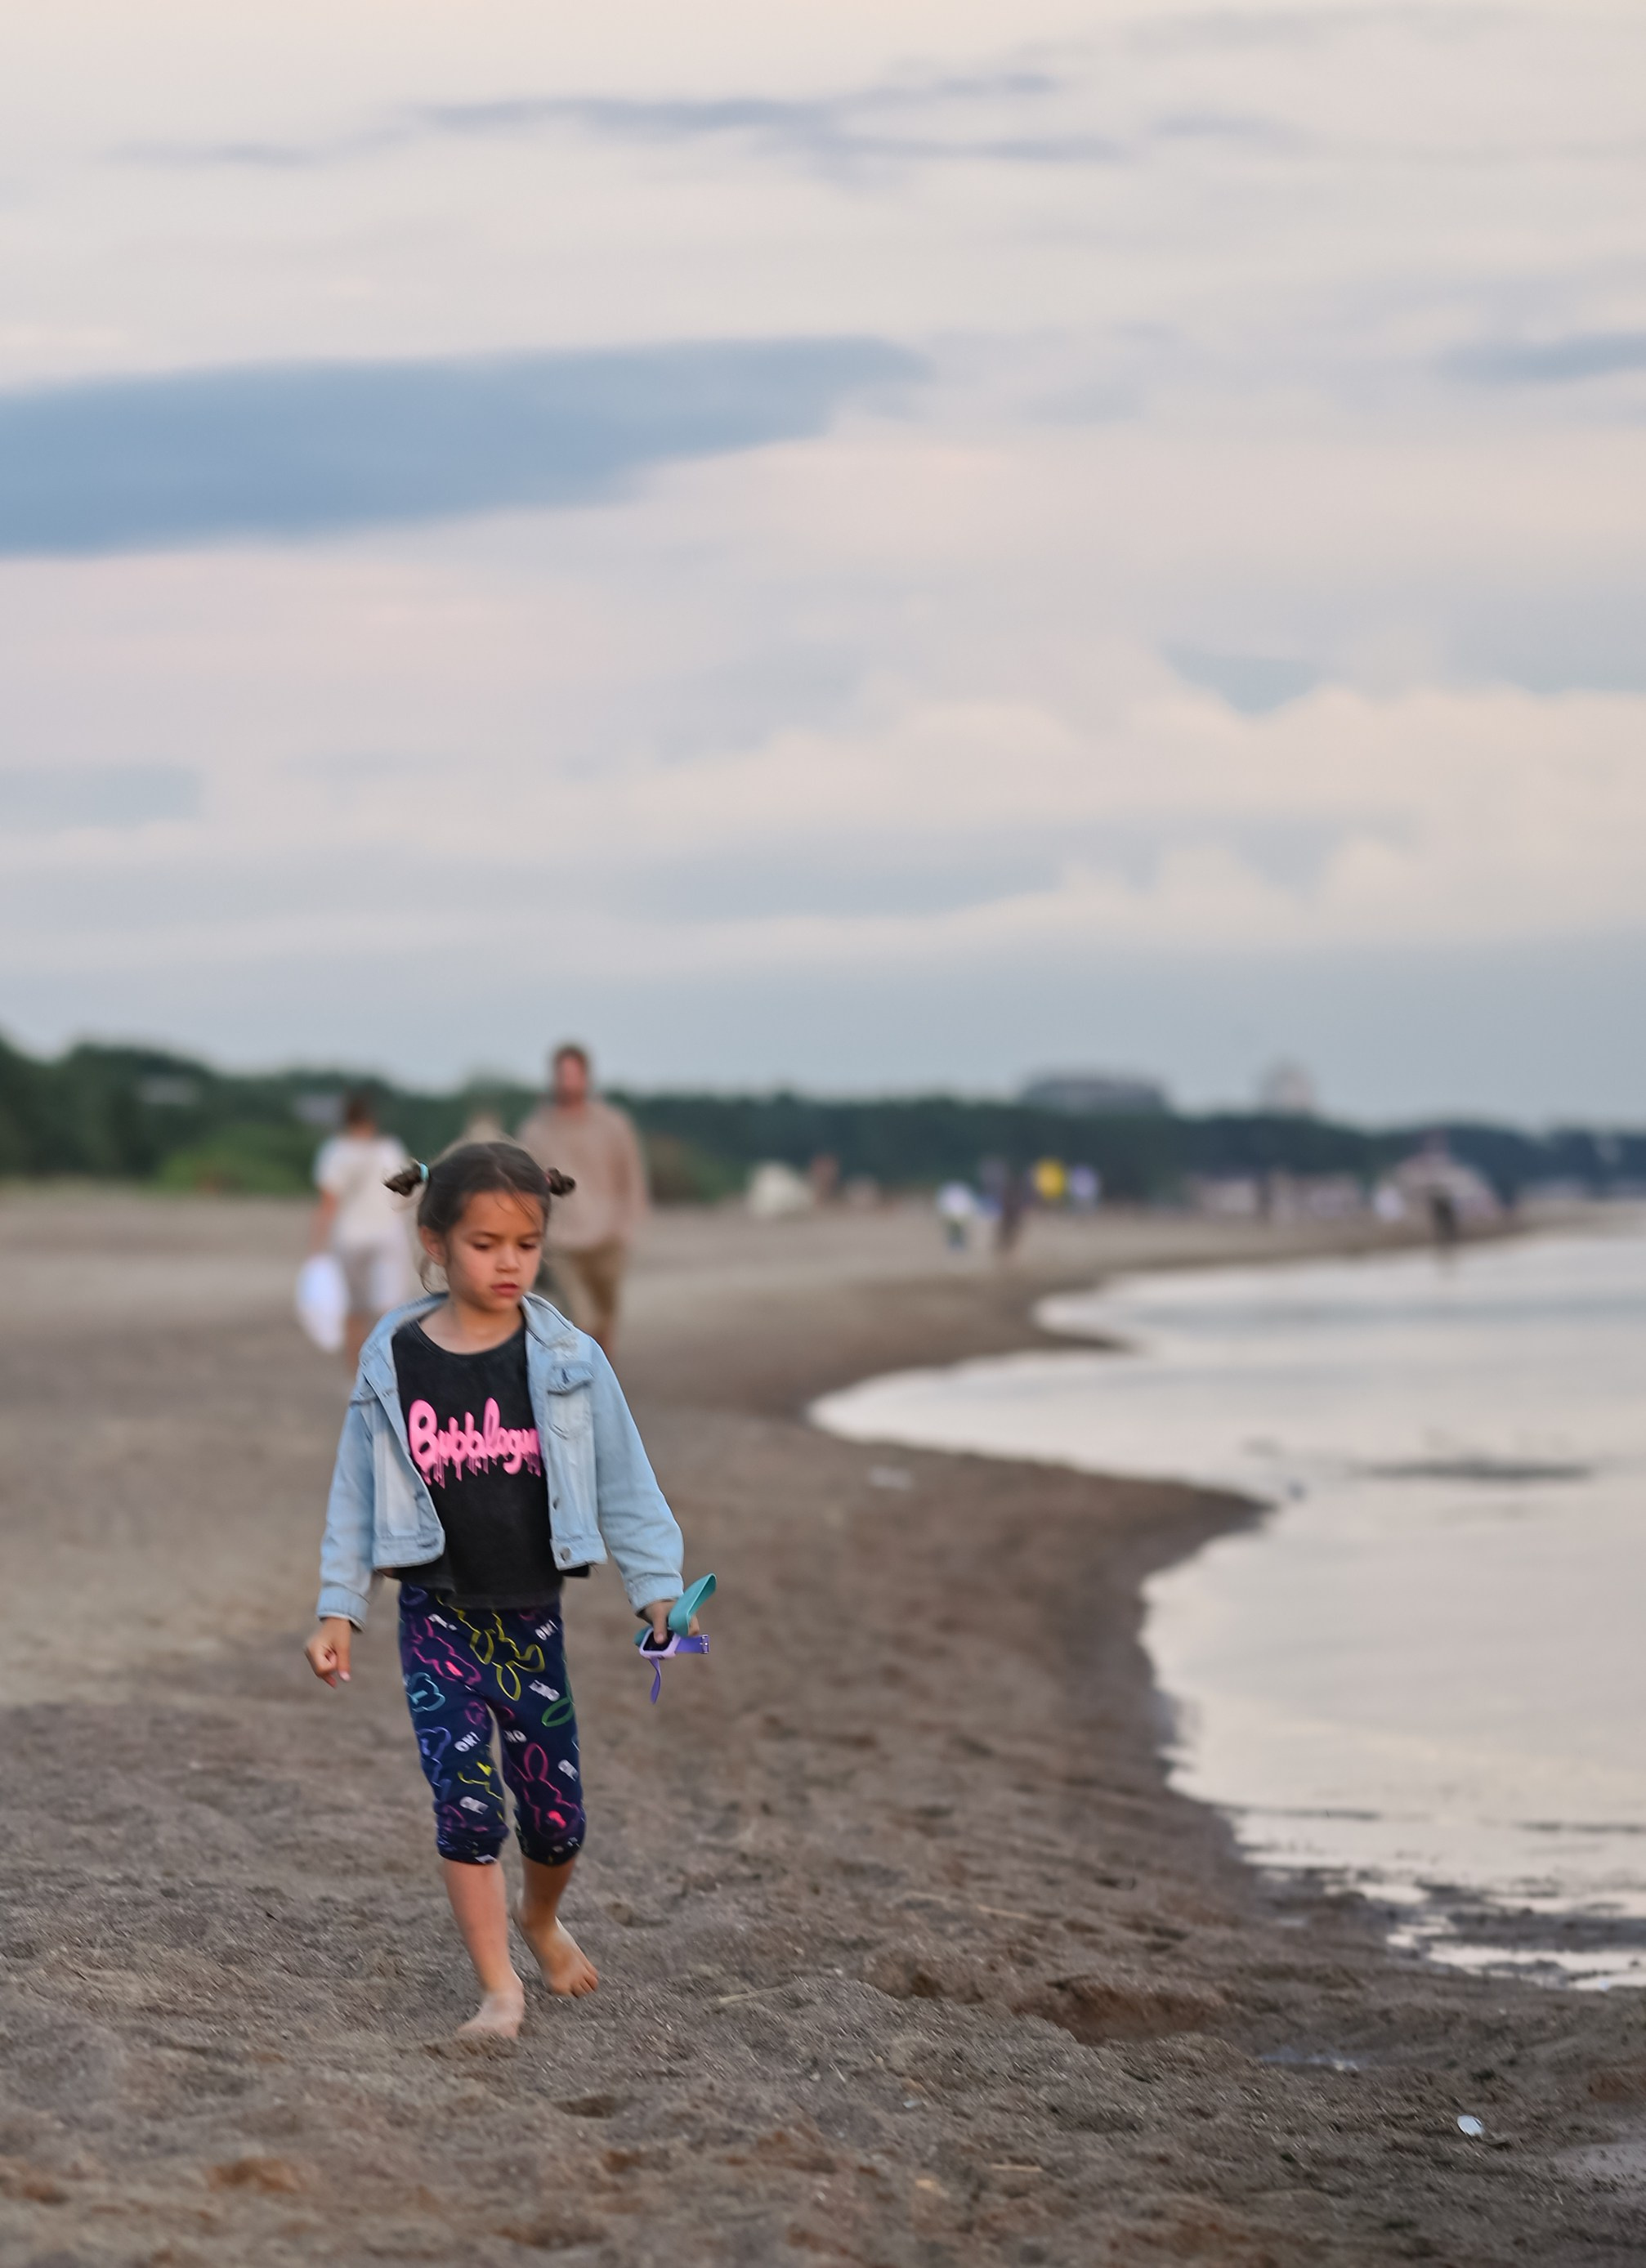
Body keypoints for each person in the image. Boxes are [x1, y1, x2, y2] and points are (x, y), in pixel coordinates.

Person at [304, 1141, 693, 2042]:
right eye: (485, 1243)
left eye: (526, 1243)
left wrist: (658, 1591)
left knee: (556, 1819)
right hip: (435, 1616)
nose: (509, 1261)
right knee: (468, 1805)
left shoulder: (569, 1358)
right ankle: (498, 1989)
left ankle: (541, 1918)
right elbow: (356, 1488)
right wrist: (338, 1605)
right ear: (436, 1240)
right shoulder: (395, 1356)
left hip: (531, 1622)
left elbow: (625, 1481)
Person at [516, 1045, 649, 1358]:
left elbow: (631, 1176)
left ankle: (602, 1382)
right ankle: (579, 1379)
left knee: (605, 1322)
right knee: (580, 1319)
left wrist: (627, 1227)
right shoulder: (536, 1130)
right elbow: (525, 1185)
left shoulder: (613, 1124)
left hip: (607, 1237)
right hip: (562, 1241)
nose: (568, 1082)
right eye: (562, 1074)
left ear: (587, 1078)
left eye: (574, 1074)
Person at [308, 1093, 416, 1369]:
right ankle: (385, 1372)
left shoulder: (335, 1152)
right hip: (387, 1237)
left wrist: (316, 1245)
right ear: (372, 1120)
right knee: (387, 1311)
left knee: (354, 1312)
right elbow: (403, 1196)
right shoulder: (389, 1149)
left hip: (349, 1239)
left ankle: (356, 1376)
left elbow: (328, 1202)